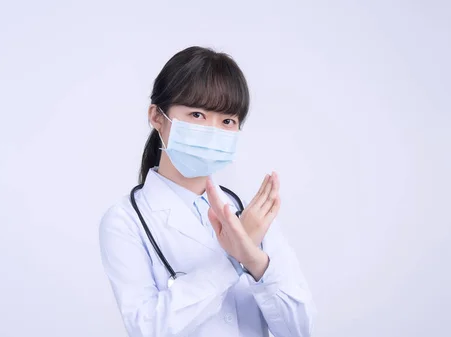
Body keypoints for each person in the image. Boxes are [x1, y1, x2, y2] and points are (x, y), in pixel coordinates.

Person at [99, 46, 315, 337]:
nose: (213, 130)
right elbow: (148, 328)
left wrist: (254, 259)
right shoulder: (125, 221)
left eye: (227, 121)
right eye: (198, 115)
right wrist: (231, 259)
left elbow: (299, 329)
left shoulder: (250, 215)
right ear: (157, 117)